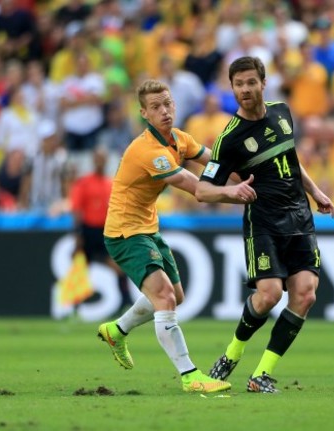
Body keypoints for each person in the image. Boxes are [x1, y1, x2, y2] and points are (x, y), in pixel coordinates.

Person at [194, 56, 334, 393]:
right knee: (269, 295)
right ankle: (232, 354)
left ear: (263, 83)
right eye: (238, 84)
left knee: (305, 295)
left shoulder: (282, 112)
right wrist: (233, 190)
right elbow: (202, 190)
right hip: (264, 223)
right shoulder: (229, 139)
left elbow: (290, 158)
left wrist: (315, 192)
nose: (245, 89)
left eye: (250, 82)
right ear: (232, 88)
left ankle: (262, 375)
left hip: (300, 217)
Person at [96, 79, 230, 394]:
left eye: (168, 103)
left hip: (148, 228)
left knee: (175, 297)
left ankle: (117, 330)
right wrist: (238, 193)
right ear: (144, 113)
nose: (165, 111)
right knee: (165, 298)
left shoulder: (178, 139)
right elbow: (195, 187)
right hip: (125, 233)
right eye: (156, 107)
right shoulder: (147, 151)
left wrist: (254, 176)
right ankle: (190, 375)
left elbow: (216, 161)